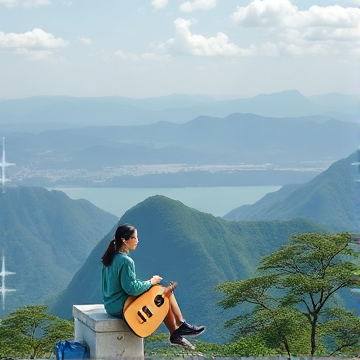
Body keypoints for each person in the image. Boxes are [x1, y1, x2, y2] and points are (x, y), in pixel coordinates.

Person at [101, 223, 205, 349]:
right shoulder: (126, 261)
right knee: (163, 292)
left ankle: (177, 330)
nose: (137, 241)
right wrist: (151, 281)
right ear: (125, 240)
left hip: (110, 304)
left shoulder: (111, 256)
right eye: (135, 238)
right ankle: (179, 325)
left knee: (164, 294)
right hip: (120, 306)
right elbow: (131, 289)